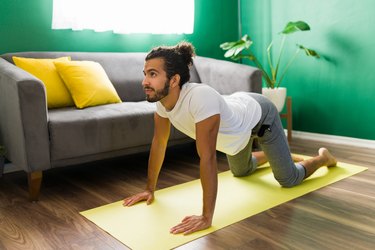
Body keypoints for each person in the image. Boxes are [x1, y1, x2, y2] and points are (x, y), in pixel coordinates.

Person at [123, 41, 337, 235]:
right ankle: (279, 156)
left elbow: (207, 158)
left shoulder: (200, 98)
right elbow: (159, 143)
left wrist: (207, 217)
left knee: (288, 179)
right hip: (238, 123)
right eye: (145, 74)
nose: (144, 81)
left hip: (261, 117)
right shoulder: (162, 103)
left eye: (152, 74)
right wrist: (149, 189)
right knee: (240, 171)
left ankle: (322, 158)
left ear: (174, 80)